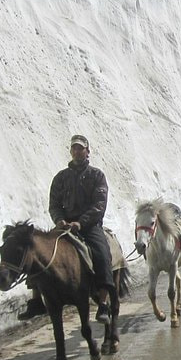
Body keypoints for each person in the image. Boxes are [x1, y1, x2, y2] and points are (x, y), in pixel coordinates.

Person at [18, 134, 114, 323]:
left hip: (89, 226)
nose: (77, 151)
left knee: (102, 254)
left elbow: (99, 205)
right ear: (71, 151)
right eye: (74, 148)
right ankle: (36, 299)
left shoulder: (97, 175)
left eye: (81, 148)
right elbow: (54, 204)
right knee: (38, 250)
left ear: (88, 151)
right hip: (64, 225)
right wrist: (60, 220)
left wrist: (81, 222)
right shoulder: (61, 177)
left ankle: (103, 302)